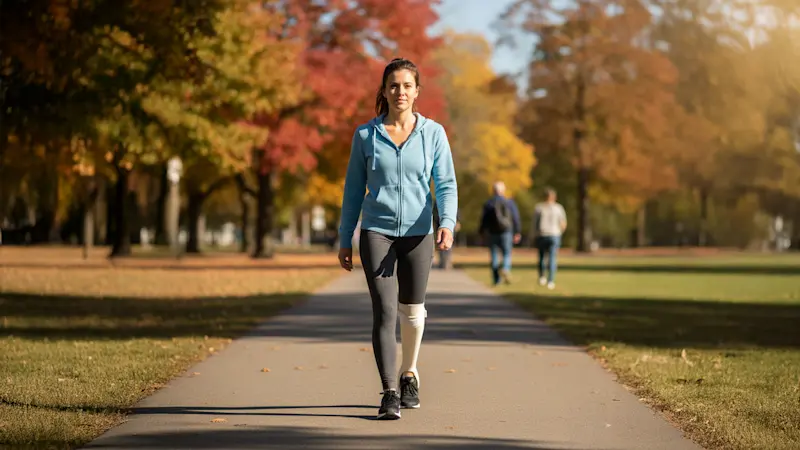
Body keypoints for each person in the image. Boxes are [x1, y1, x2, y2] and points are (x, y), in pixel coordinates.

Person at [337, 58, 458, 420]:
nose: (400, 91)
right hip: (377, 232)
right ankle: (390, 391)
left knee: (413, 311)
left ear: (417, 91)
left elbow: (446, 183)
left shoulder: (433, 133)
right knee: (385, 312)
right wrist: (346, 237)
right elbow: (353, 191)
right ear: (384, 90)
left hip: (419, 233)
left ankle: (409, 373)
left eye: (407, 85)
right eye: (393, 85)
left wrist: (447, 222)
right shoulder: (366, 136)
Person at [479, 181, 521, 285]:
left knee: (494, 256)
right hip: (506, 232)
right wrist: (517, 231)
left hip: (492, 232)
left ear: (493, 190)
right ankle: (505, 268)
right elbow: (515, 218)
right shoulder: (509, 202)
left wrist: (481, 231)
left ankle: (496, 280)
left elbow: (484, 219)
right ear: (503, 190)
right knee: (506, 253)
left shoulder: (489, 203)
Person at [533, 187, 567, 289]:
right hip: (554, 235)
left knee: (542, 258)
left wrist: (533, 235)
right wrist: (560, 232)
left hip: (542, 234)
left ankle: (542, 277)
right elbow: (563, 223)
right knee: (552, 258)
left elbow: (534, 224)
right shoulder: (558, 208)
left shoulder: (539, 208)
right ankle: (551, 280)